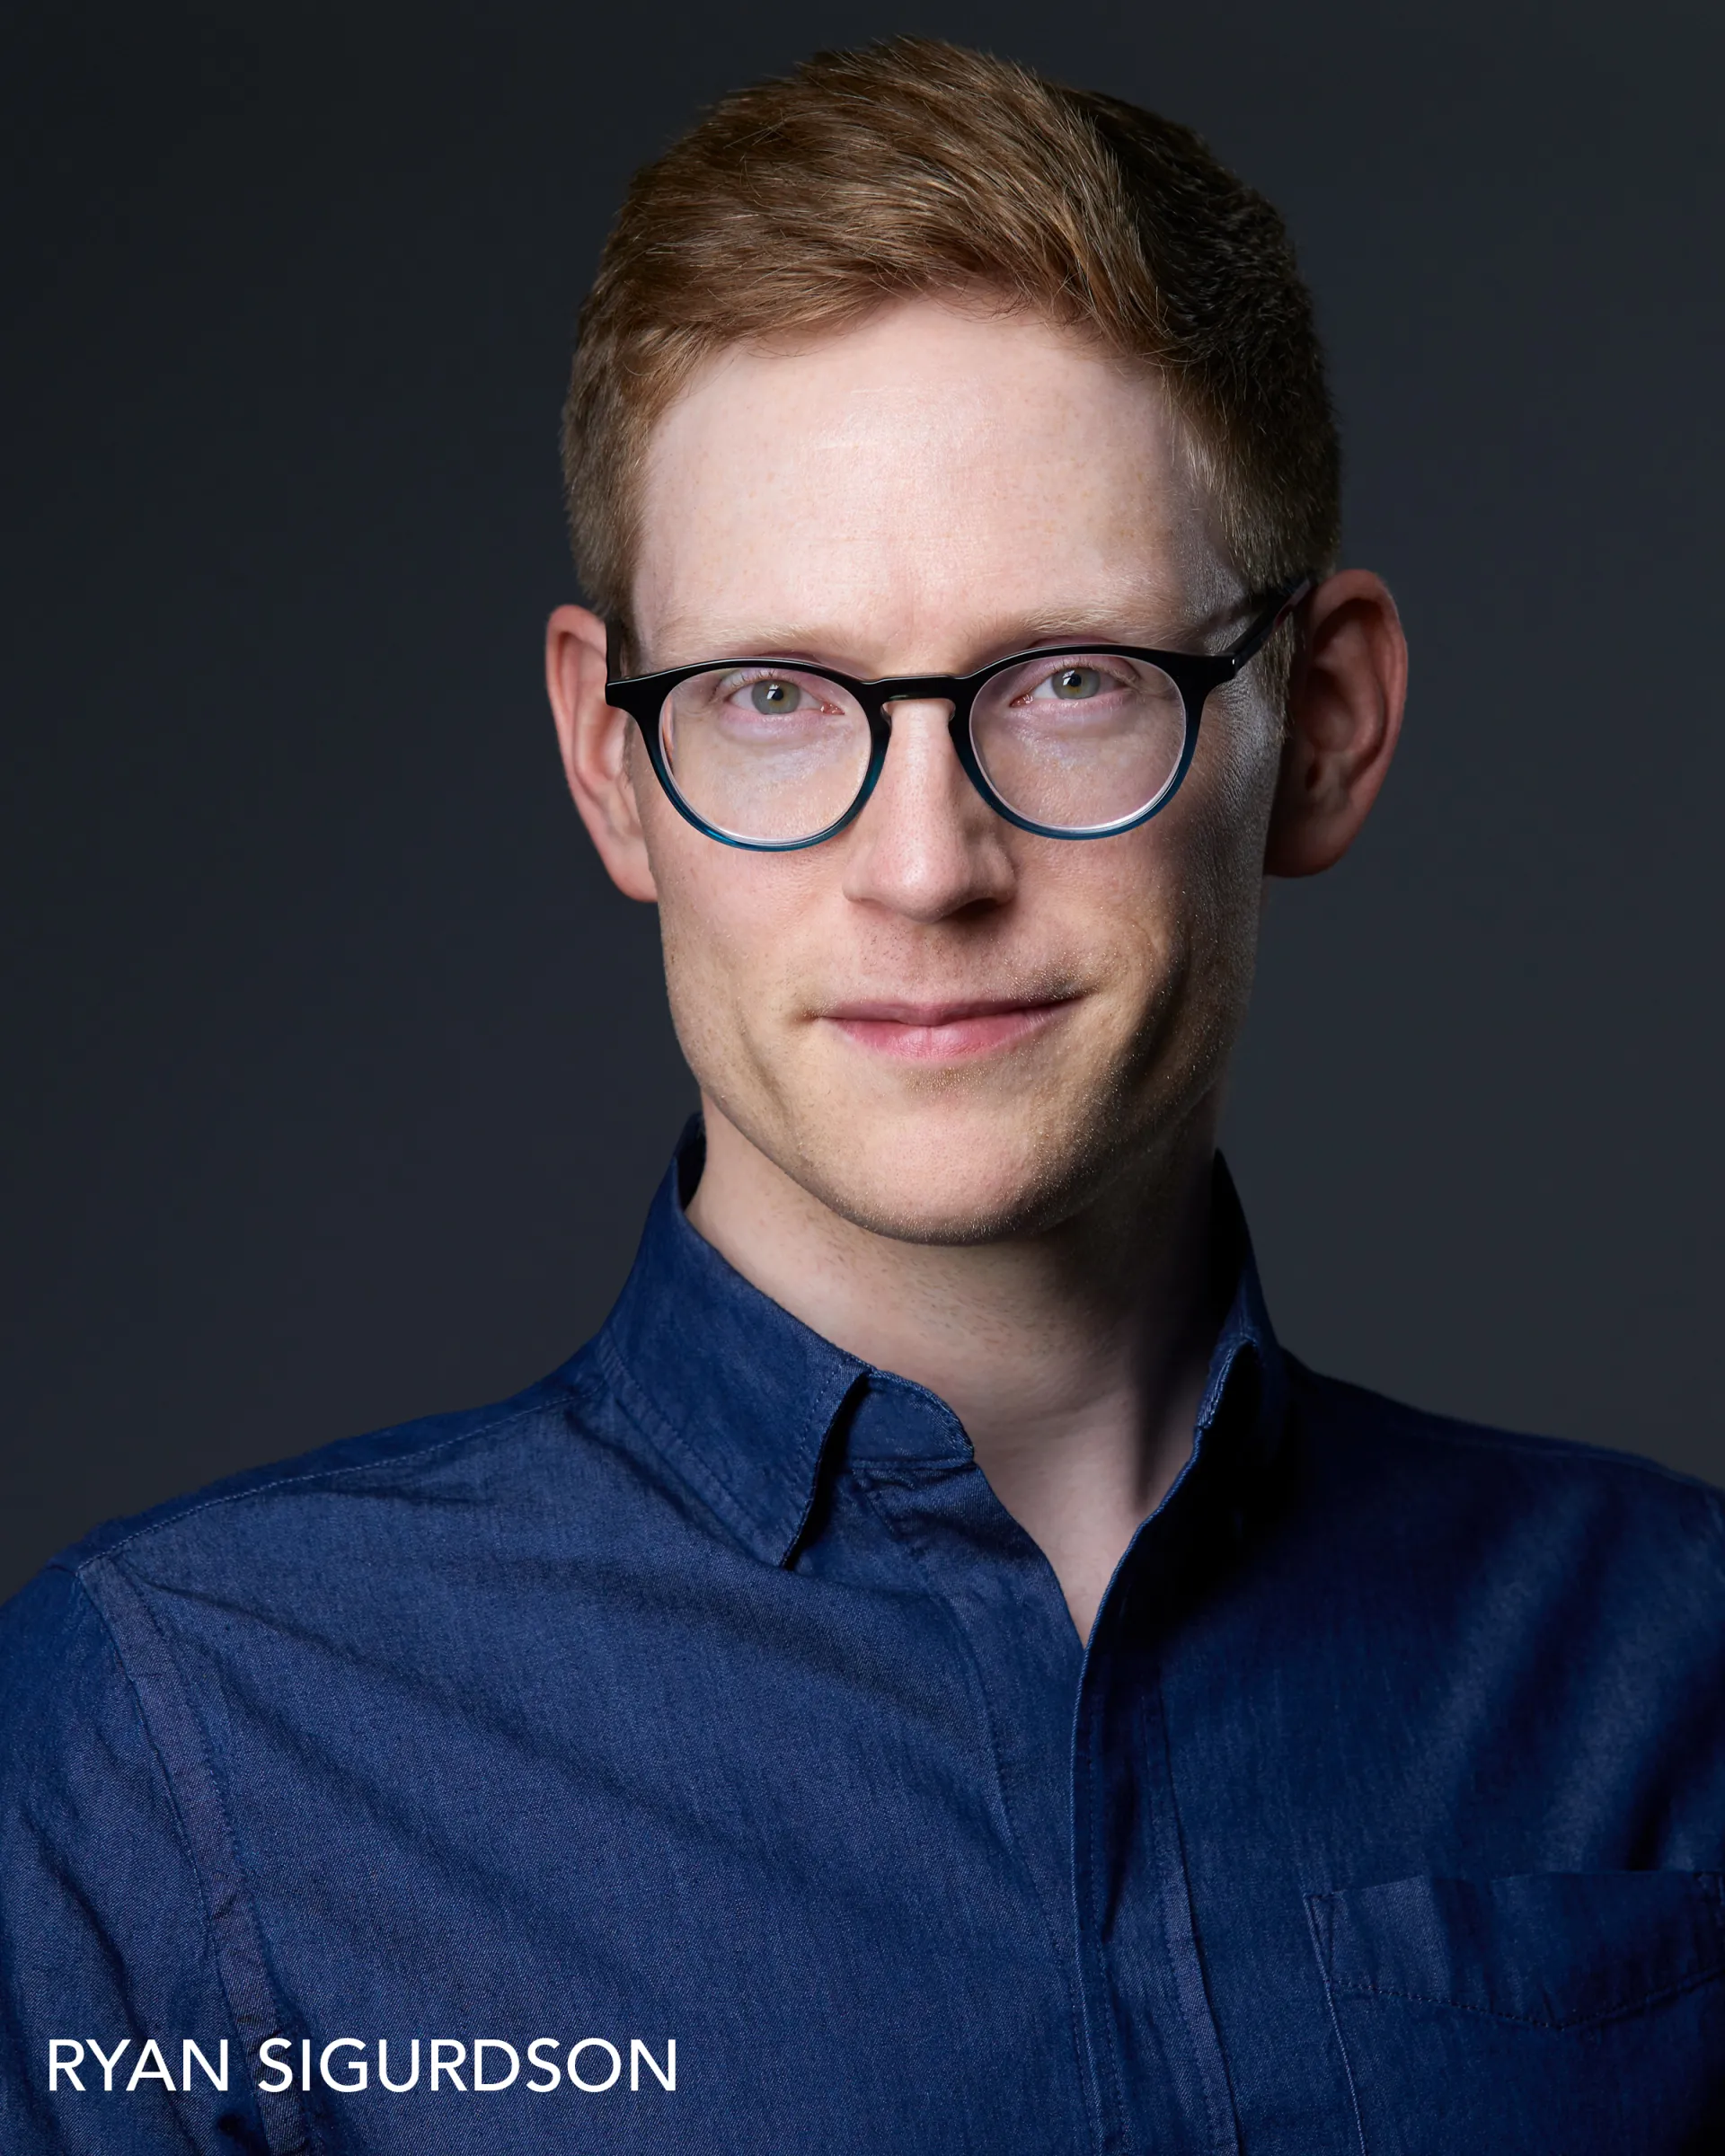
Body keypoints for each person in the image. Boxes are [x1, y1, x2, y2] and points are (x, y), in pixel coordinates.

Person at [3, 36, 1721, 2156]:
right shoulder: (184, 1755)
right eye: (774, 699)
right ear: (611, 760)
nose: (923, 866)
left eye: (1073, 681)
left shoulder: (1682, 1668)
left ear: (1331, 719)